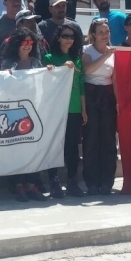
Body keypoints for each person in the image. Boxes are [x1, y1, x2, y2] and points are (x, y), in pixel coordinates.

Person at [0, 27, 49, 202]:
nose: (28, 45)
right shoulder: (8, 63)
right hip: (13, 113)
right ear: (17, 44)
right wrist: (5, 76)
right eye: (24, 42)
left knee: (32, 149)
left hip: (33, 111)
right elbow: (2, 86)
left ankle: (32, 184)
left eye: (30, 42)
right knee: (16, 150)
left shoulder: (36, 63)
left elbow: (45, 81)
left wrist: (50, 71)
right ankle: (17, 184)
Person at [43, 26, 87, 198]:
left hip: (74, 108)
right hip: (55, 108)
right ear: (58, 38)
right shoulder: (49, 58)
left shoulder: (77, 59)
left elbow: (81, 85)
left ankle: (72, 181)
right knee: (54, 145)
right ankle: (54, 182)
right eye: (65, 36)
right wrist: (59, 68)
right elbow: (45, 79)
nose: (69, 39)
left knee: (72, 147)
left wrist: (83, 109)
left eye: (72, 37)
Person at [81, 18, 118, 195]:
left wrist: (117, 101)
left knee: (109, 140)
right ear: (94, 34)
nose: (104, 35)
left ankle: (107, 182)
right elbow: (87, 70)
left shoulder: (114, 52)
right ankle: (92, 183)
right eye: (101, 32)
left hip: (107, 96)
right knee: (91, 139)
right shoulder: (87, 50)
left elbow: (115, 78)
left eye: (107, 32)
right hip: (91, 95)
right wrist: (105, 56)